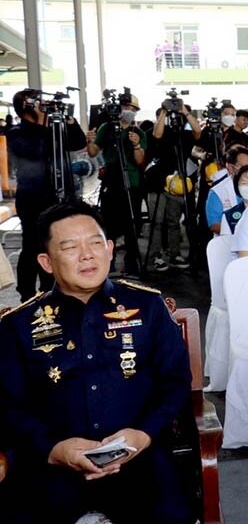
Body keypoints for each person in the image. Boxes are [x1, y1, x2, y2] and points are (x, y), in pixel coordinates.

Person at [0, 201, 193, 523]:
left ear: (109, 248)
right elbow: (7, 404)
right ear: (46, 262)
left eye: (95, 243)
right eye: (71, 247)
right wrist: (52, 449)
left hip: (139, 459)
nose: (87, 255)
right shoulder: (18, 325)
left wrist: (144, 434)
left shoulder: (147, 306)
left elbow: (174, 382)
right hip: (52, 467)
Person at [6, 89, 87, 301]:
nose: (44, 105)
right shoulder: (17, 132)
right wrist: (46, 124)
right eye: (38, 101)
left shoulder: (55, 128)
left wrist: (68, 120)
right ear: (26, 106)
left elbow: (78, 143)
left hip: (59, 193)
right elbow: (33, 152)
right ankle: (27, 294)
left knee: (57, 241)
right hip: (32, 196)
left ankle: (52, 288)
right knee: (33, 243)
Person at [86, 92, 147, 277]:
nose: (127, 111)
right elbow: (93, 152)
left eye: (131, 108)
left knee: (133, 225)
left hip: (132, 182)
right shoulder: (107, 128)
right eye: (125, 107)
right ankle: (108, 263)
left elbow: (140, 161)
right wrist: (90, 139)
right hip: (112, 181)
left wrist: (136, 146)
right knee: (108, 224)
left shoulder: (139, 133)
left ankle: (131, 263)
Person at [146, 102, 203, 272]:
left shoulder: (184, 135)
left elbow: (198, 131)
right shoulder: (159, 132)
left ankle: (174, 254)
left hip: (177, 184)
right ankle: (155, 255)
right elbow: (157, 134)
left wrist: (185, 112)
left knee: (174, 222)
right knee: (156, 222)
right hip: (158, 182)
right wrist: (164, 111)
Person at [206, 146, 248, 234]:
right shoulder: (218, 192)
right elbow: (214, 224)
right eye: (244, 167)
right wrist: (241, 231)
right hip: (229, 242)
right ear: (231, 167)